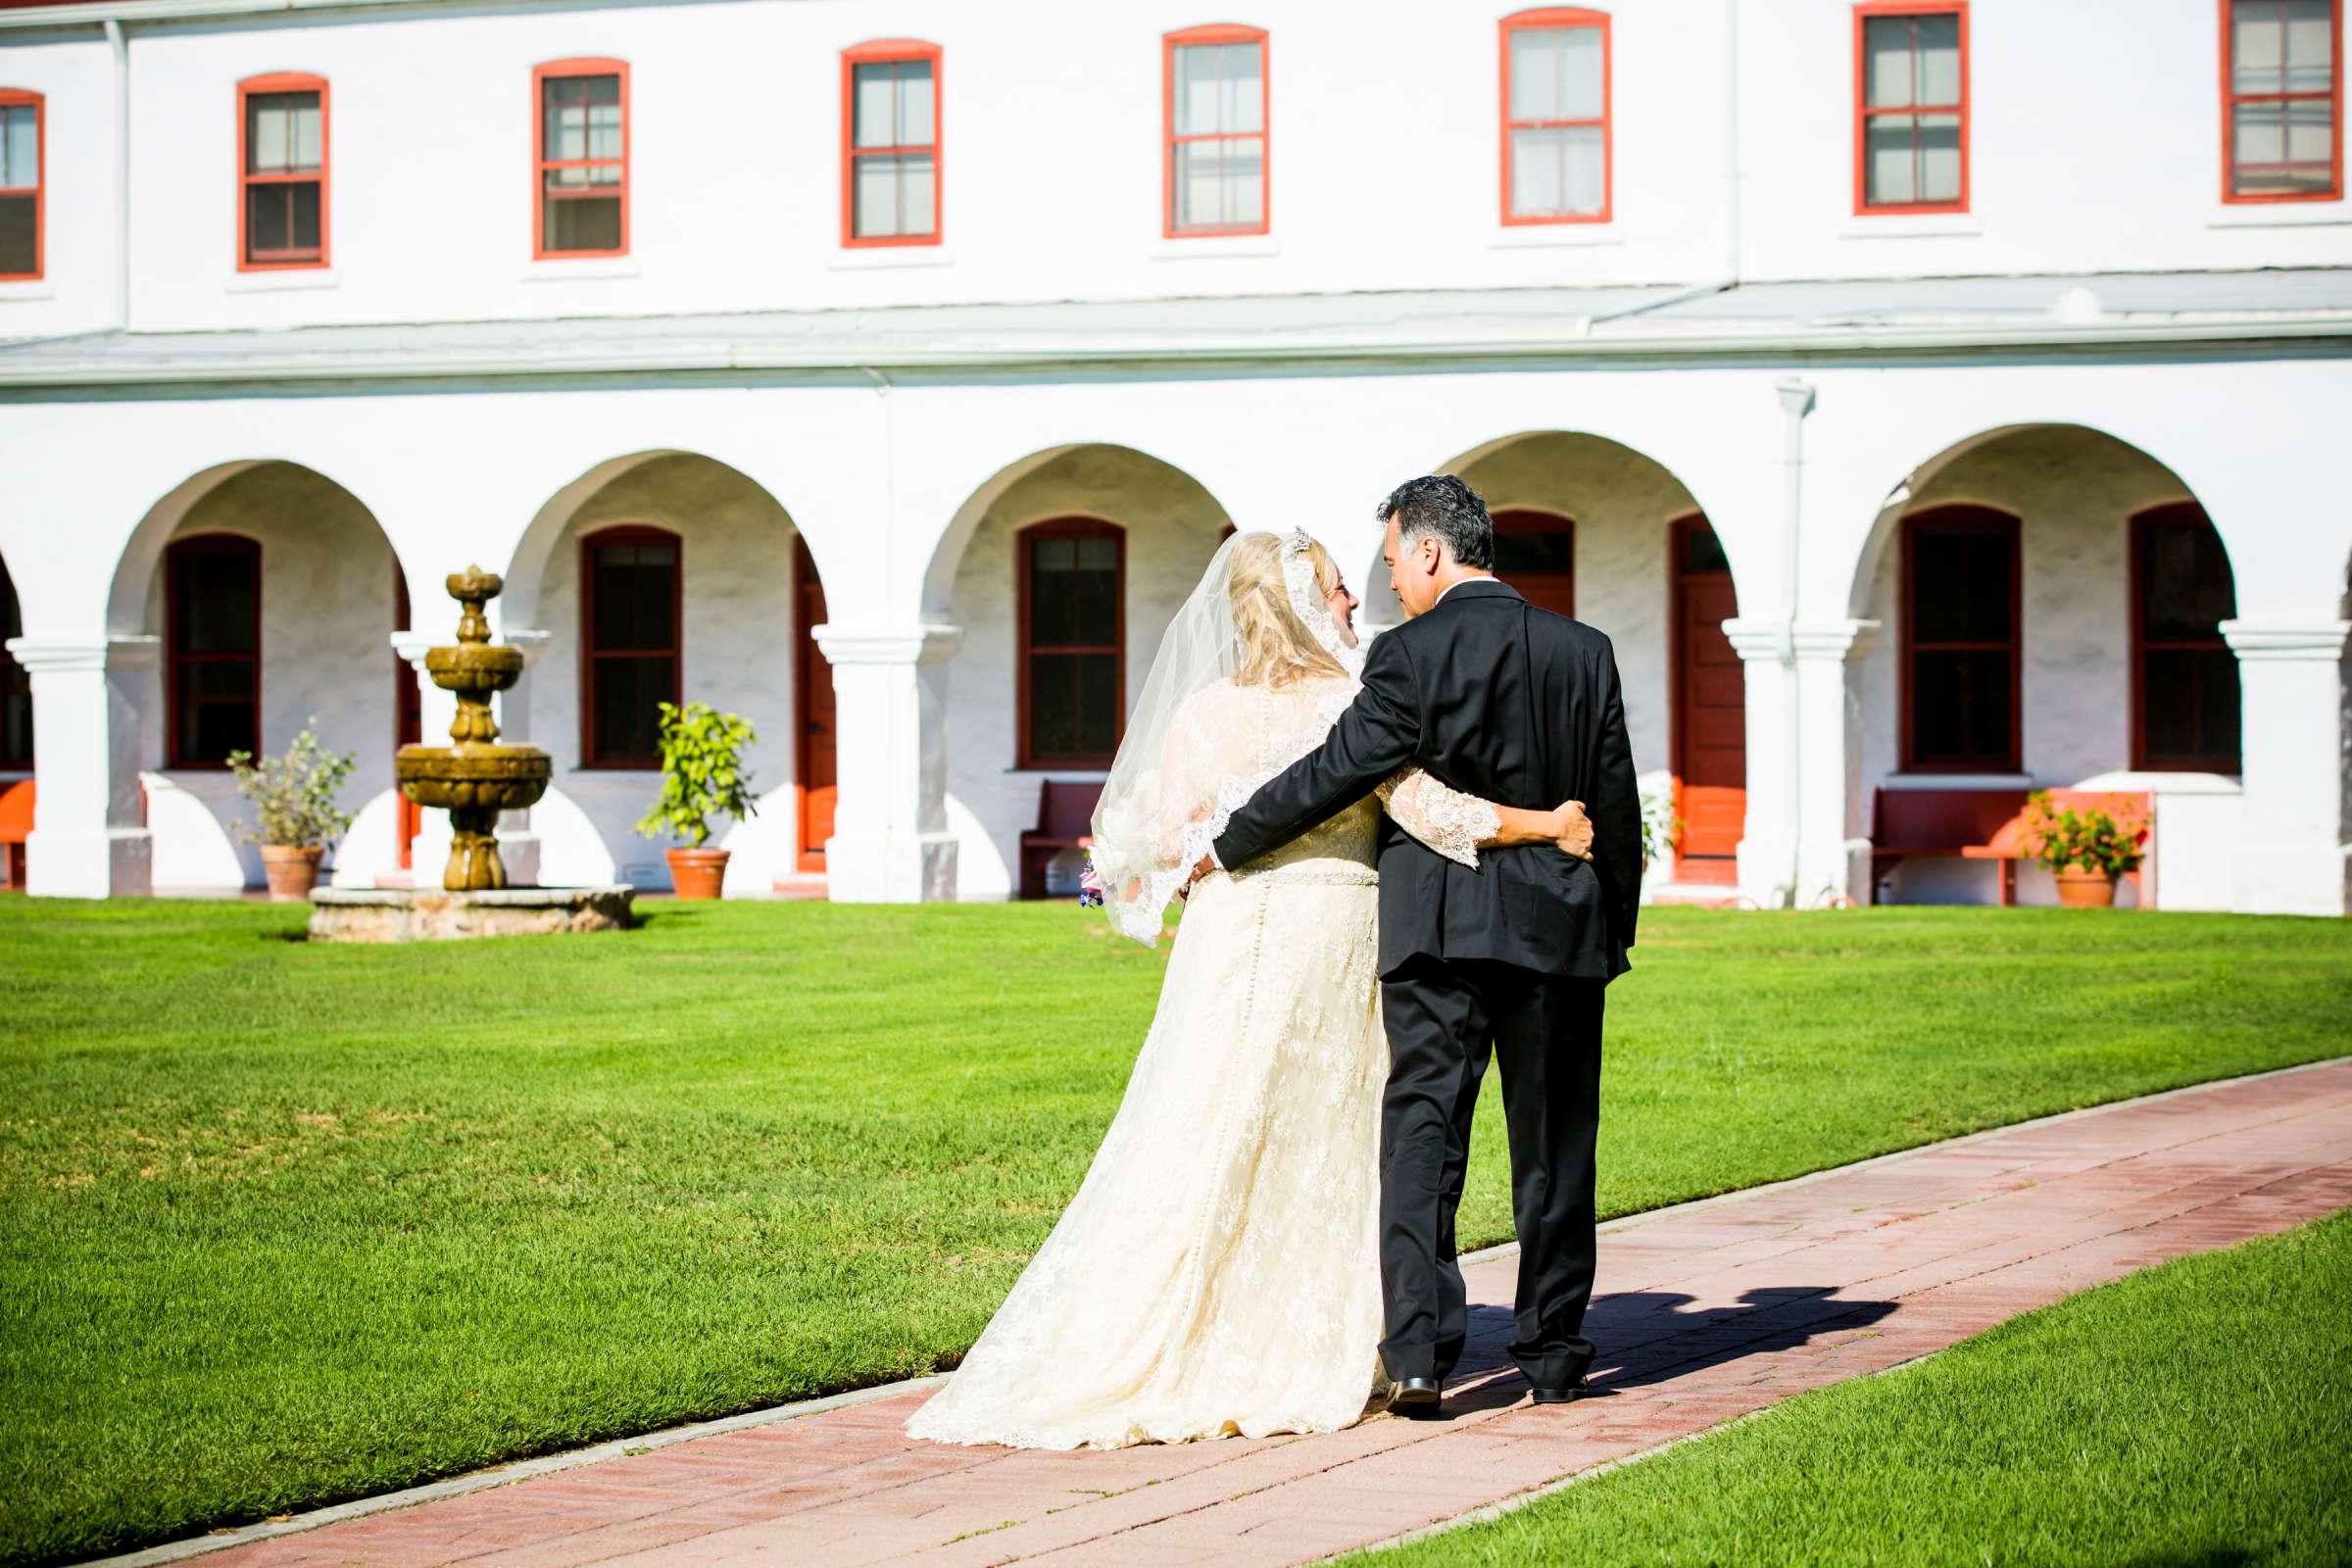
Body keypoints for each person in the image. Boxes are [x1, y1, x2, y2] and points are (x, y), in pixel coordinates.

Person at [906, 527, 1593, 1449]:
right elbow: (1426, 809)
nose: (1357, 603)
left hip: (1228, 936)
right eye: (1343, 589)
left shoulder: (1201, 714)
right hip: (1332, 930)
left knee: (1207, 1122)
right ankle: (1341, 1337)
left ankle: (1175, 1324)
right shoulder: (1352, 701)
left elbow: (1167, 834)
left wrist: (1141, 873)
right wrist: (1540, 822)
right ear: (1309, 602)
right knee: (1333, 1134)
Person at [1205, 475, 1641, 1418]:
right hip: (1561, 933)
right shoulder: (1586, 651)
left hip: (1438, 929)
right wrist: (1612, 931)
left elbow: (1339, 769)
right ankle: (1556, 1351)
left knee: (1422, 1137)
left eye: (1396, 558)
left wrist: (1229, 840)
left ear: (1432, 551)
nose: (1392, 580)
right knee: (1557, 1149)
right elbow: (1615, 808)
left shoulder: (1406, 656)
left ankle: (1419, 1357)